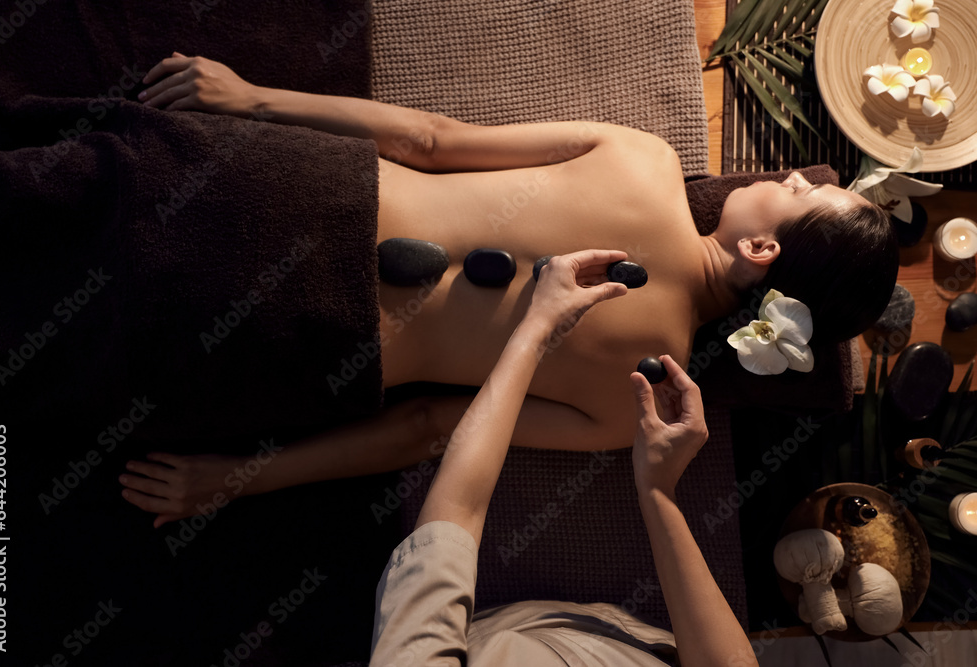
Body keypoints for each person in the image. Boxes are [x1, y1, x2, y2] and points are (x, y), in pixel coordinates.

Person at [120, 54, 899, 527]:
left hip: (312, 192)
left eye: (797, 190)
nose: (790, 174)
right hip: (315, 341)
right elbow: (425, 428)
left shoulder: (646, 160)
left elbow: (430, 140)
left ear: (762, 247)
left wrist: (250, 96)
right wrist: (230, 479)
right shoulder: (632, 403)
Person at [369, 248, 756, 666]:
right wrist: (658, 488)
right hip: (631, 637)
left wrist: (537, 328)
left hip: (506, 628)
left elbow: (454, 514)